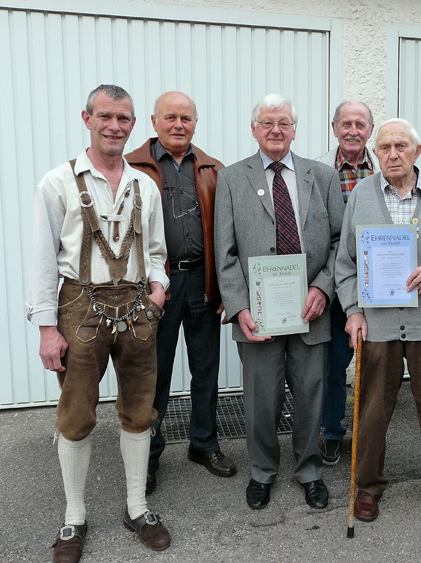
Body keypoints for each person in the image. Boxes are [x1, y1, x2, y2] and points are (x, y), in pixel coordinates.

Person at [27, 84, 171, 563]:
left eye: (124, 118)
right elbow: (42, 260)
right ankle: (74, 517)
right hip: (78, 310)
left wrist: (158, 291)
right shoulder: (57, 183)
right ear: (86, 118)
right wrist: (47, 327)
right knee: (76, 415)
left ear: (134, 124)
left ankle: (136, 507)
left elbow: (155, 252)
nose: (115, 126)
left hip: (137, 309)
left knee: (139, 409)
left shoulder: (144, 185)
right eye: (105, 116)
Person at [336, 118, 421, 526]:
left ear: (417, 151)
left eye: (400, 146)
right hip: (376, 324)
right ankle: (368, 486)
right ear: (375, 154)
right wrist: (353, 311)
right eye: (384, 147)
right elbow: (344, 263)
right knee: (372, 410)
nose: (392, 154)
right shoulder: (361, 196)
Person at [214, 94, 344, 510]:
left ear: (295, 129)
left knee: (311, 397)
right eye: (267, 122)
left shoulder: (321, 176)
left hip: (311, 310)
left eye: (284, 123)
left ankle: (309, 470)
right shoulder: (232, 178)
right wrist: (239, 307)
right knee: (260, 400)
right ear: (254, 129)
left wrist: (323, 288)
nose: (276, 130)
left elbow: (342, 243)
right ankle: (262, 472)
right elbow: (225, 253)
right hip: (259, 316)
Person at [125, 91, 235, 496]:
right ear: (153, 122)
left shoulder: (213, 169)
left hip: (203, 281)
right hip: (159, 286)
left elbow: (228, 234)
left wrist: (227, 287)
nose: (178, 124)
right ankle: (149, 456)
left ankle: (203, 444)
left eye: (185, 118)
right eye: (169, 117)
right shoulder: (133, 167)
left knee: (206, 368)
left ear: (195, 122)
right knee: (156, 372)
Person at [315, 100, 380, 465]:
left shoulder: (386, 167)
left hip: (379, 283)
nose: (352, 130)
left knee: (375, 363)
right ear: (334, 127)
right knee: (334, 364)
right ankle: (332, 433)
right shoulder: (319, 170)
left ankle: (370, 434)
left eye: (360, 124)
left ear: (369, 130)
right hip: (337, 282)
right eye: (346, 123)